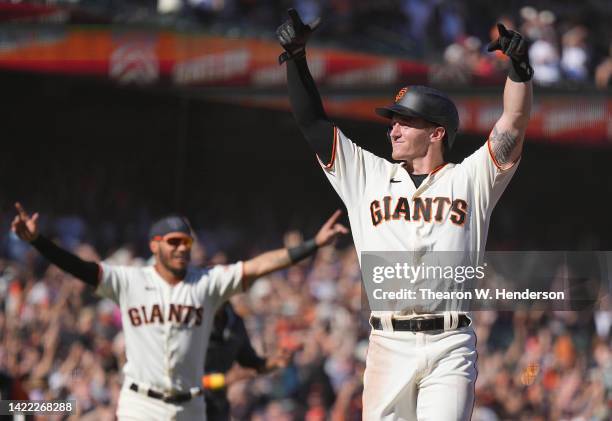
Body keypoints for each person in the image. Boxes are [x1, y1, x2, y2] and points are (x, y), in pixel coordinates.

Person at [277, 10, 533, 421]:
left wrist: (519, 69)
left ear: (436, 133)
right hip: (387, 344)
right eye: (393, 122)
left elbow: (514, 122)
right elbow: (312, 122)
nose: (393, 130)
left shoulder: (470, 178)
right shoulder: (367, 175)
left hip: (449, 343)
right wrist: (295, 58)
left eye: (405, 122)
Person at [11, 203, 348, 421]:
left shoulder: (207, 282)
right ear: (154, 245)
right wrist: (38, 242)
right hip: (141, 405)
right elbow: (80, 268)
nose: (180, 248)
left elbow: (259, 266)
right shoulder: (129, 280)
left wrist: (313, 245)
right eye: (172, 241)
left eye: (185, 242)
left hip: (190, 406)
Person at [202, 301, 293, 421]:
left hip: (217, 407)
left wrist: (273, 362)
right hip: (188, 405)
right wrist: (221, 380)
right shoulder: (192, 321)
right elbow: (183, 379)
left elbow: (250, 362)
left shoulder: (235, 322)